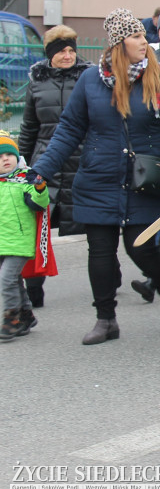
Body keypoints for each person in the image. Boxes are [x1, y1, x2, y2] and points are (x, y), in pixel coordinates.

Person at [31, 8, 160, 344]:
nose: (144, 41)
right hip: (99, 177)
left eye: (142, 35)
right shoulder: (91, 80)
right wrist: (41, 170)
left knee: (140, 246)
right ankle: (106, 320)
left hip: (145, 179)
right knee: (100, 251)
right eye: (136, 36)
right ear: (119, 43)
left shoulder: (157, 76)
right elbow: (70, 129)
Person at [17, 25, 91, 307]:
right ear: (50, 54)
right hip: (45, 162)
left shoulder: (89, 78)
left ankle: (111, 280)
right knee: (36, 226)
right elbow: (29, 127)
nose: (68, 55)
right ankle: (34, 289)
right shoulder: (37, 82)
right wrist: (22, 167)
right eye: (61, 51)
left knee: (97, 228)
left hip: (81, 161)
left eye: (72, 50)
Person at [0, 134, 49, 340]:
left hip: (20, 241)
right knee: (14, 280)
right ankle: (26, 314)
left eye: (10, 154)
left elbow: (39, 203)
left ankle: (11, 318)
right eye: (1, 156)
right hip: (2, 241)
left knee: (6, 279)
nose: (5, 159)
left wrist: (39, 188)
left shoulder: (25, 178)